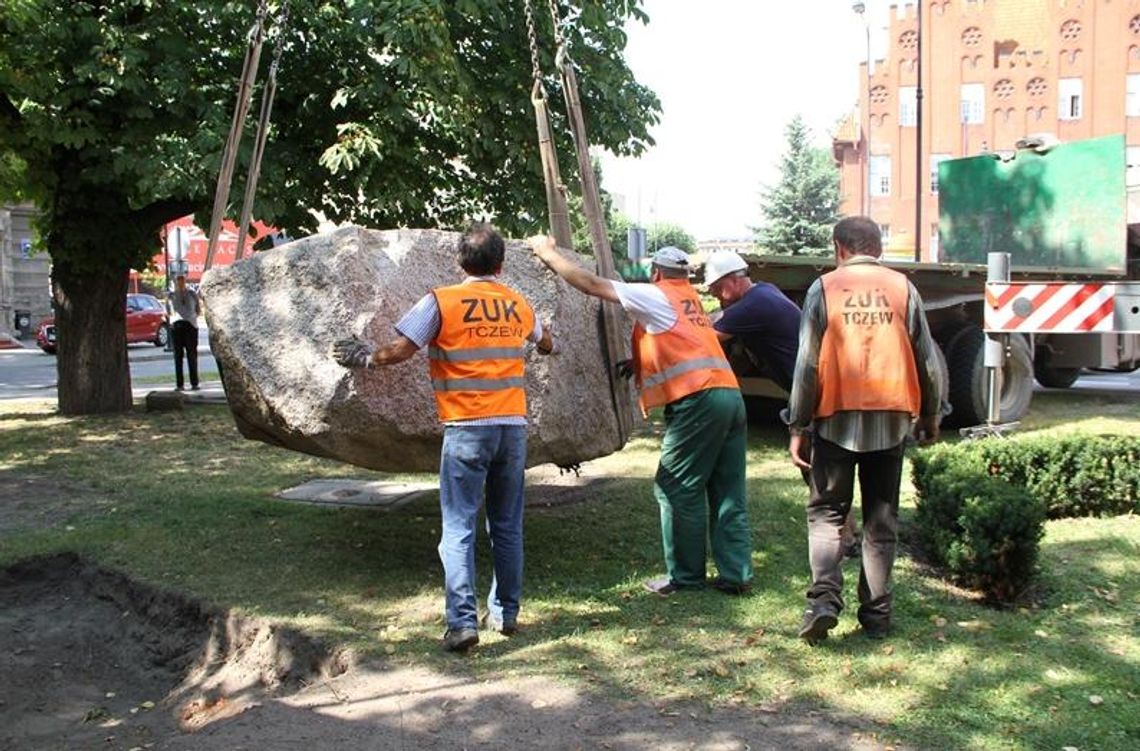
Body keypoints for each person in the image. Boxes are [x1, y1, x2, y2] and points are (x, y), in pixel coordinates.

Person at [333, 224, 555, 653]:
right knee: (507, 524)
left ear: (459, 262)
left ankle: (462, 623)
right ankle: (506, 613)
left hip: (468, 428)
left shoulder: (442, 301)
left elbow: (402, 349)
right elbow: (546, 342)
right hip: (511, 428)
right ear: (501, 264)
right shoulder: (517, 304)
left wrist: (364, 358)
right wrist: (544, 345)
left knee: (458, 526)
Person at [528, 237, 752, 596]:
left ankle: (685, 577)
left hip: (699, 399)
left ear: (656, 272)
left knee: (676, 487)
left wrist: (546, 252)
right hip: (729, 394)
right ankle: (736, 574)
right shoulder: (689, 299)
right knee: (727, 489)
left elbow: (591, 285)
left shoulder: (656, 293)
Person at [785, 216, 943, 643]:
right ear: (878, 247)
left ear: (839, 248)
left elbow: (806, 364)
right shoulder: (903, 288)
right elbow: (928, 359)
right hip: (892, 418)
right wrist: (932, 413)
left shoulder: (824, 288)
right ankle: (876, 615)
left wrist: (797, 422)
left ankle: (823, 600)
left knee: (827, 512)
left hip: (835, 417)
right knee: (880, 518)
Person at [168, 273, 201, 391]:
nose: (180, 283)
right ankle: (180, 384)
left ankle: (194, 382)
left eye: (182, 280)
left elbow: (198, 309)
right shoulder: (171, 296)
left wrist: (191, 318)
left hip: (190, 325)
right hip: (177, 325)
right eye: (178, 281)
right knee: (178, 356)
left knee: (191, 355)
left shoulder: (192, 294)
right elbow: (169, 312)